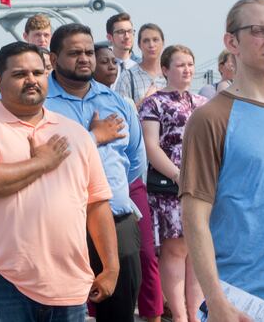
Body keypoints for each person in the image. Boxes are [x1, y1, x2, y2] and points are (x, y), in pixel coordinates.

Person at [0, 41, 119, 322]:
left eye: (38, 73)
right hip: (1, 283)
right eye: (19, 74)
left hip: (69, 285)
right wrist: (42, 163)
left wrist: (111, 266)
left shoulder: (75, 133)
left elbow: (97, 204)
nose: (31, 80)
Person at [181, 0, 264, 321]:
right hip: (246, 304)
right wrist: (215, 300)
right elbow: (194, 217)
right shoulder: (210, 118)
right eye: (259, 30)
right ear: (232, 42)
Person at [46, 24, 146, 322]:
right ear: (53, 59)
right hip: (61, 225)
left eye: (89, 52)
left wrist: (105, 192)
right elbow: (44, 162)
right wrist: (93, 138)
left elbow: (136, 161)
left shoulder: (118, 103)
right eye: (74, 53)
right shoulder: (39, 105)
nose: (85, 58)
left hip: (116, 221)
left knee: (119, 313)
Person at [96, 42, 164, 322]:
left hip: (126, 188)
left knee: (144, 257)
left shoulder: (122, 104)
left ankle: (153, 314)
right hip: (87, 195)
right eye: (104, 61)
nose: (111, 66)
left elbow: (136, 154)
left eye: (114, 61)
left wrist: (118, 184)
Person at [139, 45, 207, 322]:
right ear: (165, 70)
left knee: (199, 252)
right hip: (171, 186)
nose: (187, 69)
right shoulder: (153, 103)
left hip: (203, 185)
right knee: (176, 250)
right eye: (180, 65)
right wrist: (179, 176)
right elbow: (151, 146)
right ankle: (179, 316)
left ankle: (197, 315)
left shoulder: (203, 102)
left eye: (190, 64)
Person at [115, 23, 167, 106]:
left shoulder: (171, 75)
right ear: (139, 45)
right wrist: (146, 100)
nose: (151, 45)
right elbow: (120, 114)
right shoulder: (127, 77)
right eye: (146, 41)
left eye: (155, 40)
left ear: (163, 43)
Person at [105, 12, 139, 84]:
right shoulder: (101, 67)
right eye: (121, 32)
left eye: (130, 31)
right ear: (109, 37)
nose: (127, 36)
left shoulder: (141, 66)